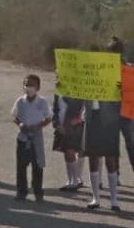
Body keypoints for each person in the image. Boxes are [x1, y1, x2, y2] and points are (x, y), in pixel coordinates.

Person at [11, 73, 52, 201]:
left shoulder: (42, 102)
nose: (29, 87)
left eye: (32, 85)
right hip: (23, 137)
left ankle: (38, 192)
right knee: (21, 166)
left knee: (37, 165)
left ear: (38, 87)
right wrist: (20, 124)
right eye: (27, 84)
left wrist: (38, 126)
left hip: (36, 138)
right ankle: (21, 191)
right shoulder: (20, 101)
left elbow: (49, 118)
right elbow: (14, 116)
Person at [109, 37, 134, 184]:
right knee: (113, 145)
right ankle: (115, 175)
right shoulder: (106, 69)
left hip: (127, 112)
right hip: (111, 111)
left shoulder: (131, 68)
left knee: (131, 145)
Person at [83, 89, 124, 212]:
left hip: (110, 119)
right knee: (93, 158)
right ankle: (95, 198)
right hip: (91, 118)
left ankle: (114, 199)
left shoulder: (112, 71)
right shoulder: (86, 71)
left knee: (110, 158)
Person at [53, 85, 86, 191]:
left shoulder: (81, 90)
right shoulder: (58, 91)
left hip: (76, 126)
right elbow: (55, 109)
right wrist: (57, 124)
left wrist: (74, 123)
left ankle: (76, 180)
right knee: (66, 153)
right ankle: (71, 180)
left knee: (72, 151)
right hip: (62, 126)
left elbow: (83, 111)